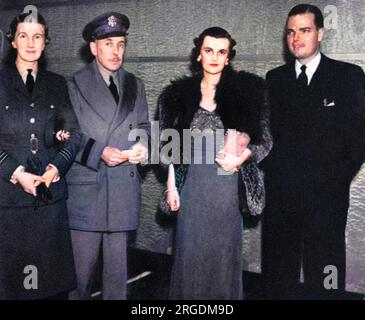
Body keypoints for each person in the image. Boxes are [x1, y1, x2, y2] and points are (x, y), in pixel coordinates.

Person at [158, 27, 271, 300]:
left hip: (226, 188)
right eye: (208, 50)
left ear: (229, 57)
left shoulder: (248, 91)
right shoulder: (176, 95)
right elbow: (169, 149)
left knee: (223, 261)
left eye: (222, 52)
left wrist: (241, 157)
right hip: (191, 189)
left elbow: (265, 141)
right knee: (189, 259)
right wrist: (172, 188)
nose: (215, 57)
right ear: (198, 54)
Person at [262, 4, 365, 299]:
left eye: (305, 30)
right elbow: (267, 136)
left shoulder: (348, 76)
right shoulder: (275, 79)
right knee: (280, 273)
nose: (296, 38)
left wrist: (336, 181)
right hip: (282, 198)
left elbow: (359, 137)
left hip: (326, 199)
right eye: (291, 32)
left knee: (327, 270)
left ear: (320, 33)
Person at [66, 12, 150, 300]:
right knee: (79, 279)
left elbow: (142, 127)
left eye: (121, 44)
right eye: (108, 44)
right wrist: (99, 152)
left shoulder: (135, 85)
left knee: (117, 281)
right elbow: (65, 136)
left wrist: (143, 147)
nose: (116, 52)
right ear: (93, 47)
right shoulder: (73, 85)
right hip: (88, 192)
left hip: (123, 192)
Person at [0, 11, 81, 299]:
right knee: (14, 289)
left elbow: (74, 134)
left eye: (38, 36)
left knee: (50, 289)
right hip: (9, 204)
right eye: (23, 35)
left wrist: (56, 167)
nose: (31, 43)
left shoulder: (58, 85)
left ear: (46, 42)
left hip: (50, 203)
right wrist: (16, 172)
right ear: (12, 41)